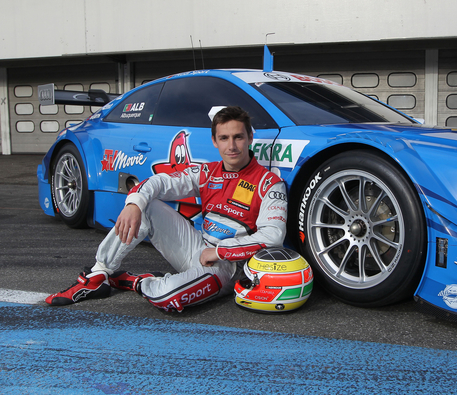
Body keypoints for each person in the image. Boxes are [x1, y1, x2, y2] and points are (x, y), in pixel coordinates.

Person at [46, 106, 288, 311]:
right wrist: (134, 203)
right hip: (196, 247)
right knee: (146, 205)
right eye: (224, 138)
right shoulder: (207, 172)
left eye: (238, 137)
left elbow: (272, 237)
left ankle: (136, 282)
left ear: (250, 138)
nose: (232, 145)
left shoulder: (269, 183)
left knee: (168, 298)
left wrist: (220, 253)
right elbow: (160, 182)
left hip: (227, 268)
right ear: (215, 141)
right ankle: (98, 275)